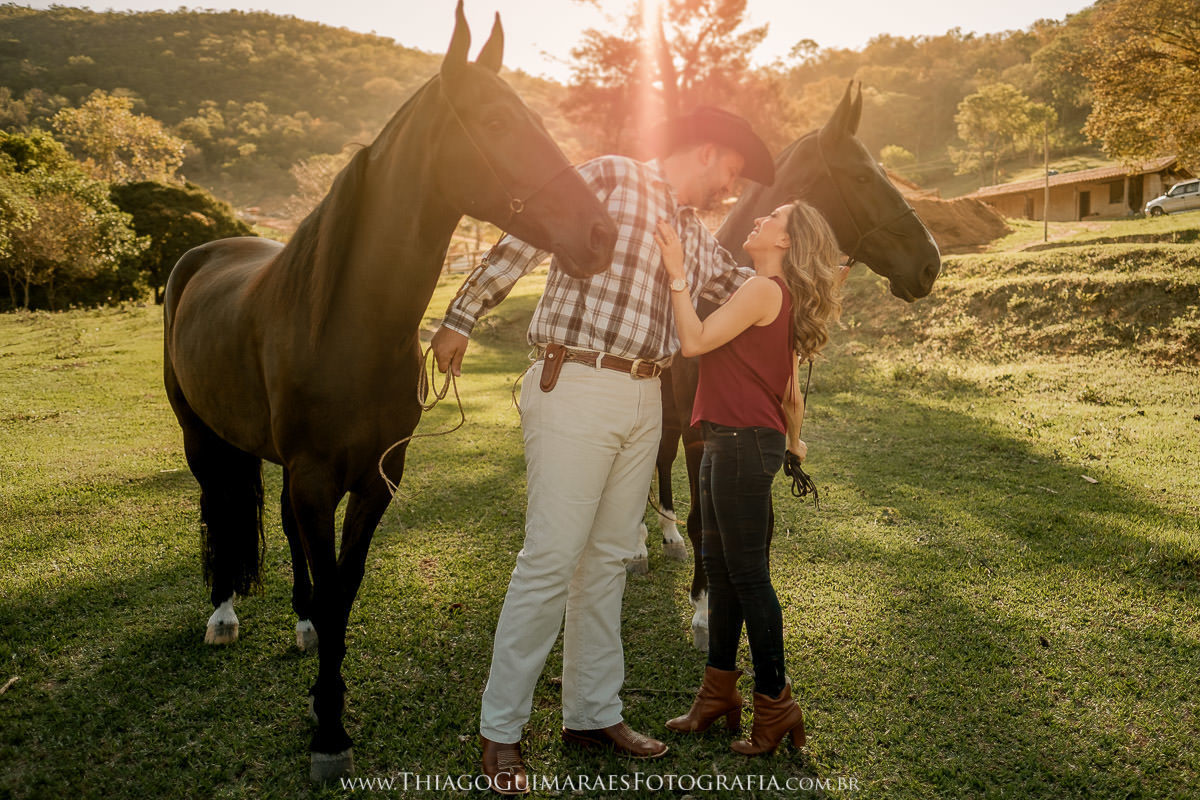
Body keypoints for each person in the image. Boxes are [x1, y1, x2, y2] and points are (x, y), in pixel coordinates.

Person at [430, 107, 775, 795]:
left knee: (609, 559)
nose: (731, 189)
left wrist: (800, 274)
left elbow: (739, 292)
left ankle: (591, 715)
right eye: (733, 173)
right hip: (575, 380)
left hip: (645, 397)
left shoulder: (693, 234)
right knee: (551, 557)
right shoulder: (611, 177)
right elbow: (520, 244)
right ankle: (501, 730)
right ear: (709, 153)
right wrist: (459, 317)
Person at [652, 200, 843, 755]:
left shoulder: (763, 290)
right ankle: (717, 694)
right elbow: (790, 391)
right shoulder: (777, 294)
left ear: (785, 242)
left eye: (773, 219)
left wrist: (677, 274)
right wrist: (793, 441)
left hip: (738, 446)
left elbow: (693, 342)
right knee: (720, 569)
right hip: (728, 442)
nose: (759, 219)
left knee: (748, 576)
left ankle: (776, 704)